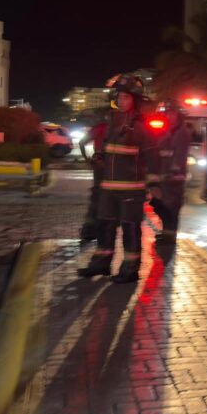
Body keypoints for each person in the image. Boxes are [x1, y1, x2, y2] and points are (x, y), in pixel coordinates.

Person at [78, 74, 159, 283]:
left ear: (135, 100)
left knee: (130, 228)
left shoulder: (141, 127)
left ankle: (130, 269)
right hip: (108, 188)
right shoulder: (112, 123)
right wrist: (98, 157)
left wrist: (152, 186)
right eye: (119, 97)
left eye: (126, 98)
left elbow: (153, 158)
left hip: (131, 189)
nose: (121, 101)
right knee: (104, 226)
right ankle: (101, 265)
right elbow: (105, 149)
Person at [151, 101, 191, 246]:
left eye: (172, 113)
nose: (169, 116)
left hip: (174, 178)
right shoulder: (168, 131)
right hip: (164, 177)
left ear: (178, 115)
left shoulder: (182, 133)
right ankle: (167, 234)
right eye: (167, 113)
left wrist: (173, 170)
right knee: (161, 205)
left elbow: (179, 155)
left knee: (172, 208)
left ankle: (170, 237)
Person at [78, 114, 109, 244]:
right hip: (113, 167)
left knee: (97, 198)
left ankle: (89, 230)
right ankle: (100, 230)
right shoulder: (120, 128)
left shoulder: (99, 128)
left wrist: (87, 159)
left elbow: (82, 142)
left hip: (99, 165)